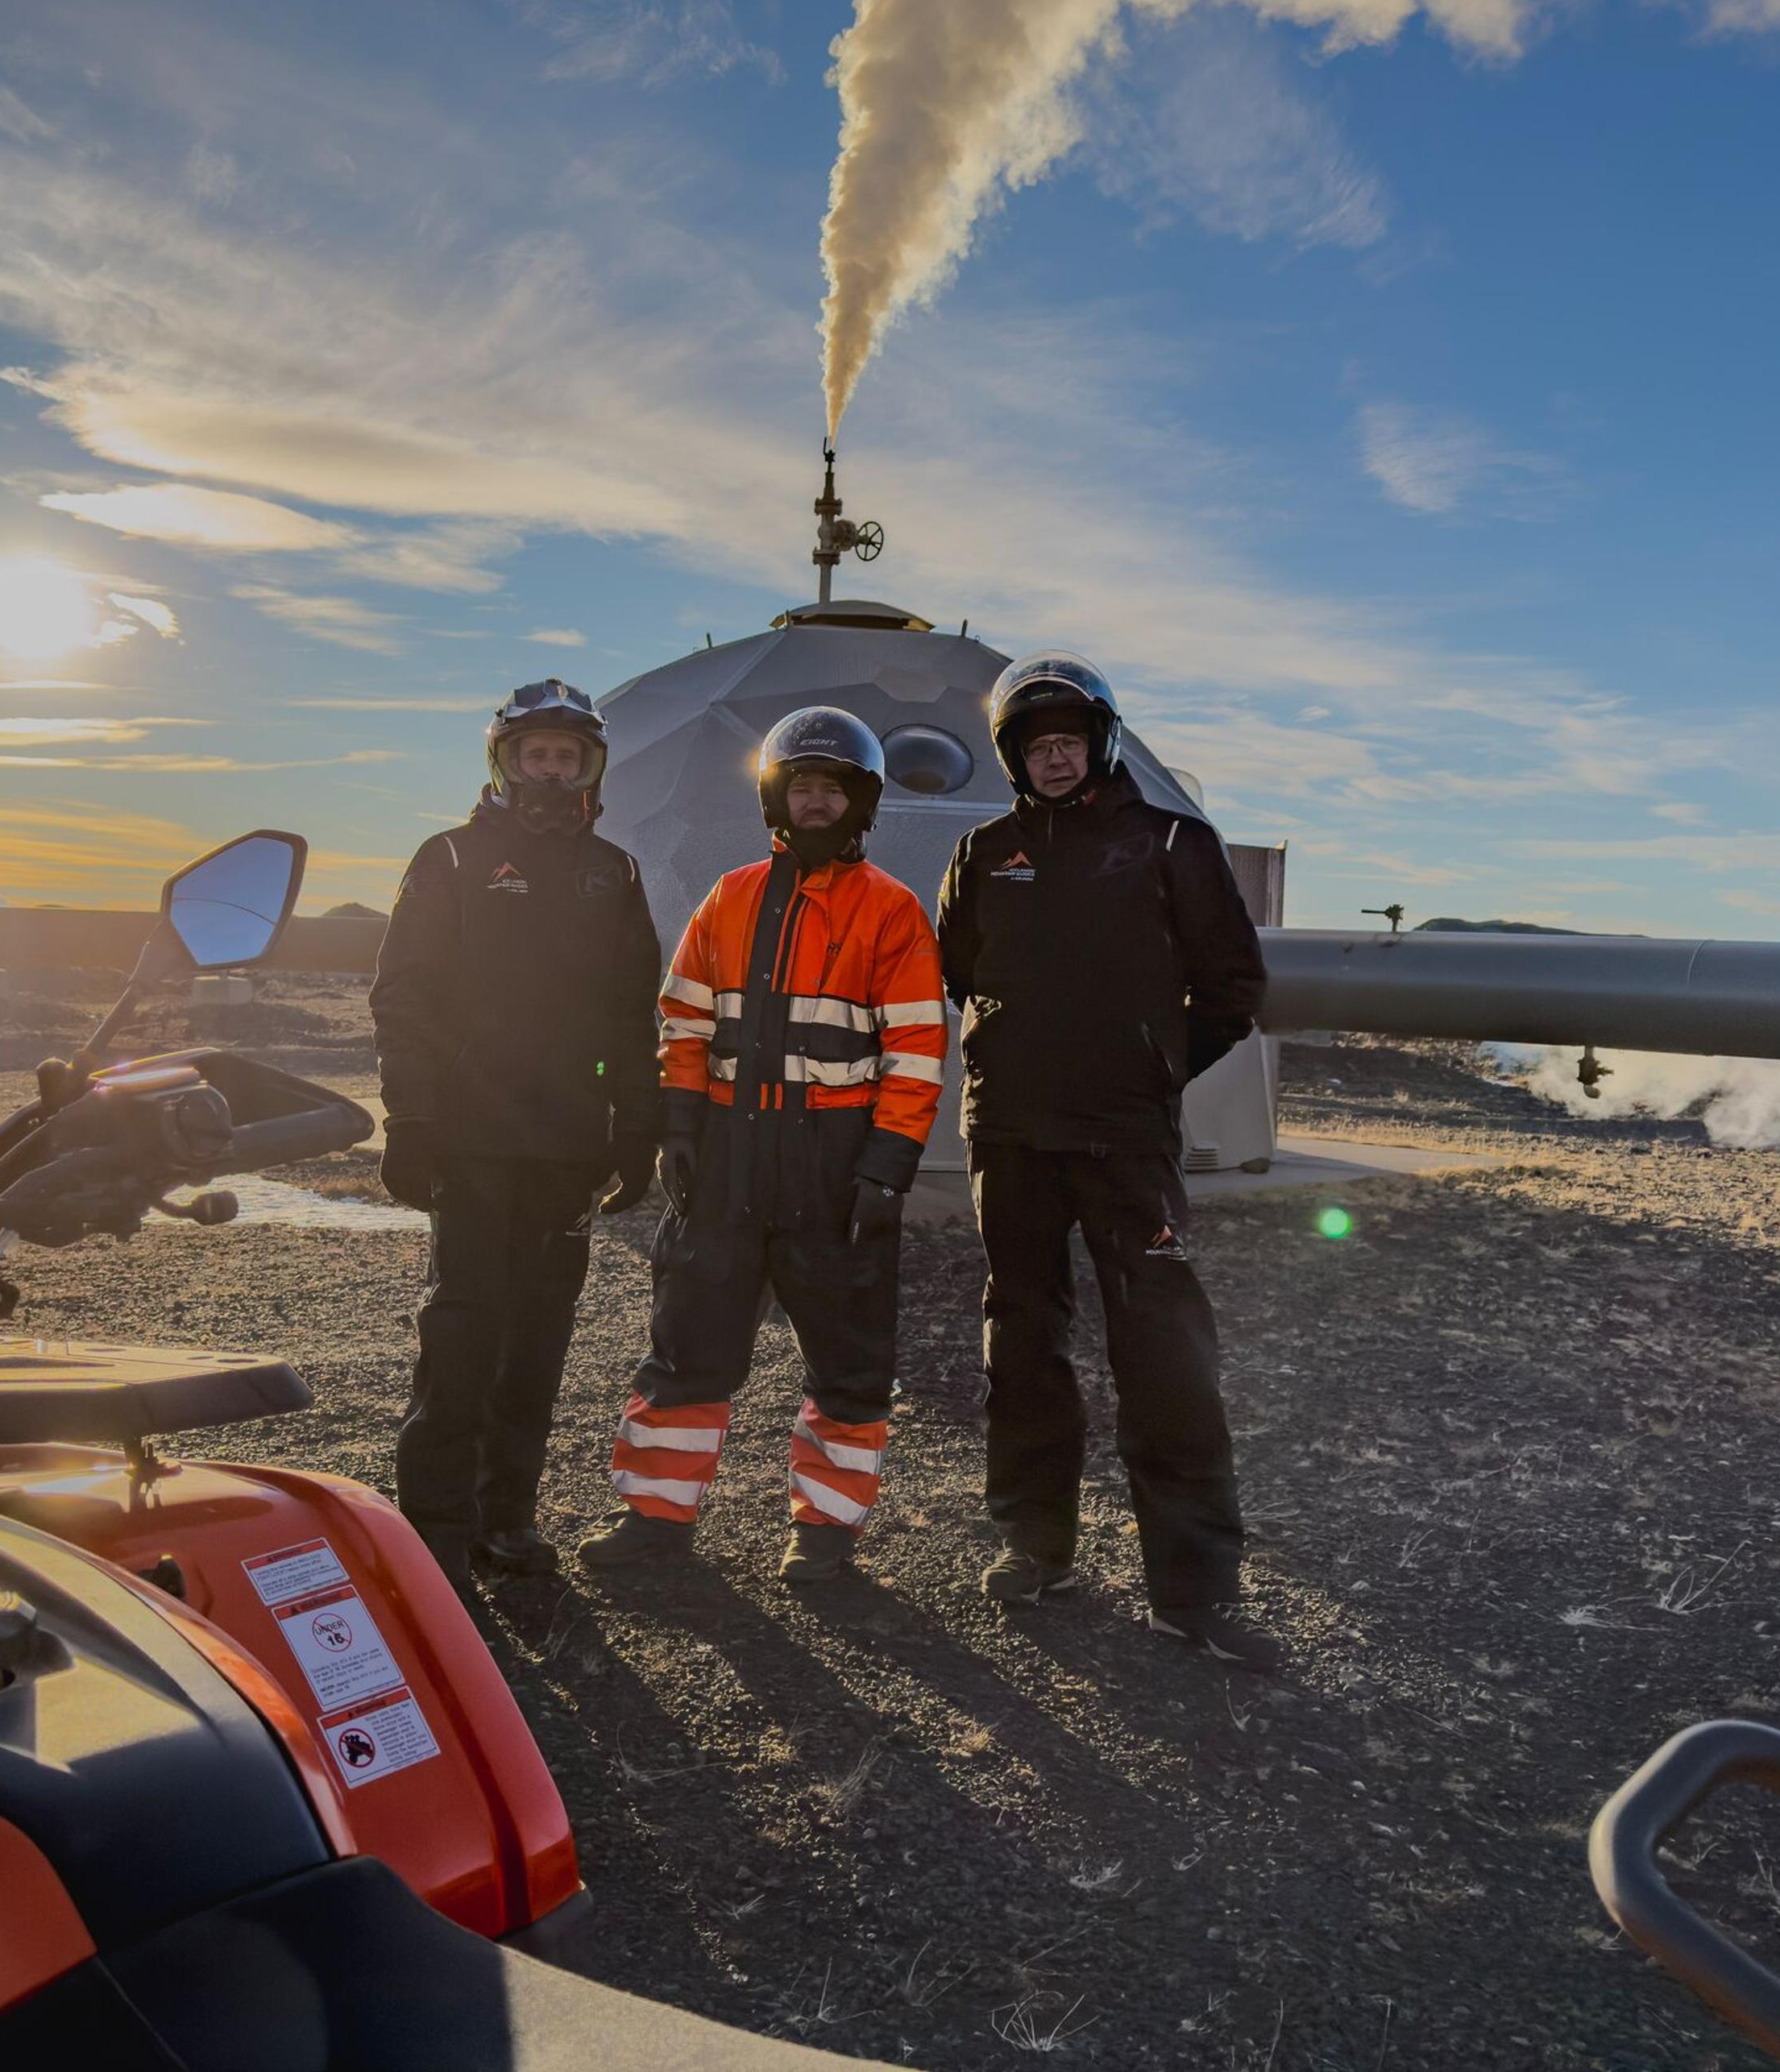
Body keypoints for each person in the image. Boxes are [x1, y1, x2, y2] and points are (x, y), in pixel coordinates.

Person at [934, 653, 1275, 1666]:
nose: (1053, 758)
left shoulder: (1173, 842)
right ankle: (1035, 1547)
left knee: (1165, 1352)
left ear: (1101, 742)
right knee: (1023, 1344)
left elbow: (1230, 986)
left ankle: (1195, 1592)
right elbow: (959, 971)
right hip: (1012, 1138)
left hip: (1125, 1139)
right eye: (1035, 746)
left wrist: (1151, 1068)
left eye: (1068, 741)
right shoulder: (984, 850)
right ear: (1012, 757)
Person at [577, 707, 948, 1585]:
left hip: (835, 1161)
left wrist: (887, 1167)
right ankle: (656, 1522)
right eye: (802, 787)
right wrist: (678, 1127)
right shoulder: (731, 897)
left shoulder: (892, 912)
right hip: (728, 1153)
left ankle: (825, 1535)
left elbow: (917, 1049)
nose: (816, 802)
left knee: (850, 1359)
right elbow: (685, 1018)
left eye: (833, 789)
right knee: (688, 1344)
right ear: (778, 799)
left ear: (861, 804)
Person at [371, 679, 663, 1585]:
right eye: (536, 753)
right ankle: (433, 1532)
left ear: (588, 766)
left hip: (566, 1145)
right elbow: (404, 998)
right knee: (462, 1334)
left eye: (567, 756)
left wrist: (634, 1125)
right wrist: (410, 1119)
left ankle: (506, 1522)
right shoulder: (452, 858)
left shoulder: (610, 870)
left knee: (536, 1342)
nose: (551, 768)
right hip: (469, 1138)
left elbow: (629, 1013)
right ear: (506, 759)